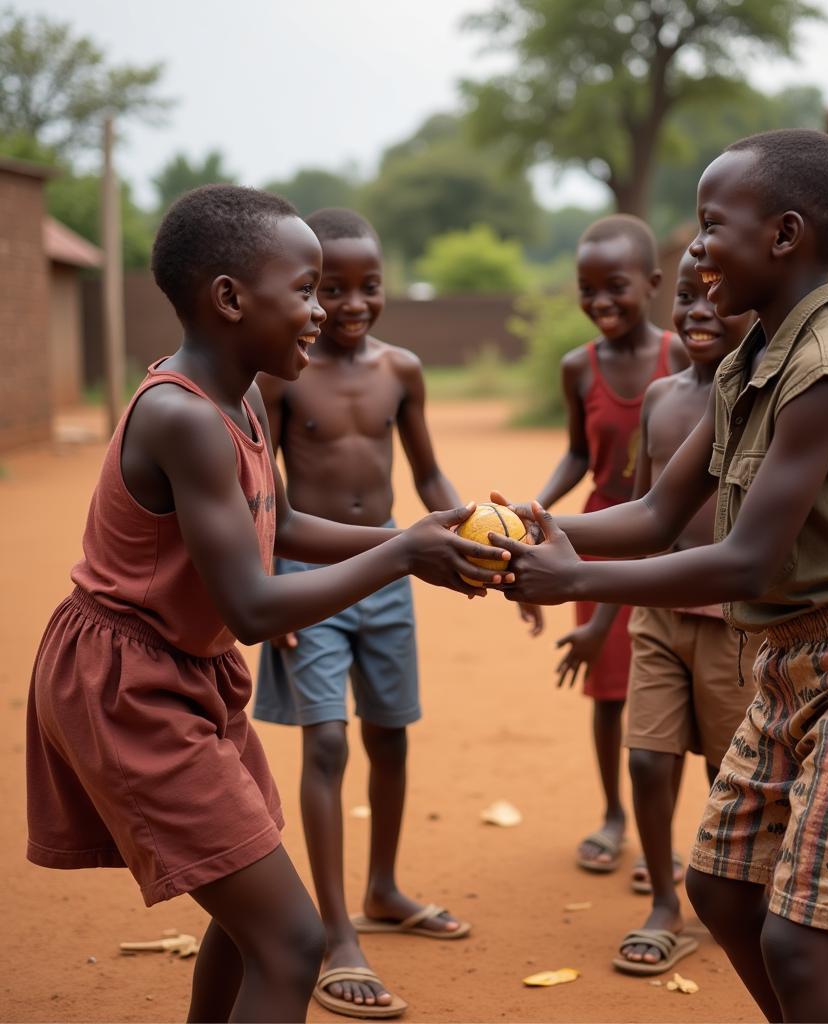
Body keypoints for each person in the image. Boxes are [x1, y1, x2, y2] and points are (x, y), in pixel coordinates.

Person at [493, 130, 828, 1022]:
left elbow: (745, 557)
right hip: (790, 663)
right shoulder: (748, 365)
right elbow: (653, 516)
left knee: (796, 939)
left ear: (784, 236)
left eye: (713, 226)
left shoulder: (826, 370)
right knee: (718, 888)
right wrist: (540, 528)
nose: (699, 248)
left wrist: (578, 583)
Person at [24, 185, 510, 1024]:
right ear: (229, 299)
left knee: (253, 917)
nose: (322, 311)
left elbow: (277, 523)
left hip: (187, 669)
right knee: (290, 939)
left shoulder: (242, 392)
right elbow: (253, 607)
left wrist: (416, 535)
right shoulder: (182, 417)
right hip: (128, 686)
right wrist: (400, 552)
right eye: (307, 289)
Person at [253, 207, 542, 1018]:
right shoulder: (283, 376)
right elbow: (265, 503)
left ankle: (382, 887)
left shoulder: (401, 371)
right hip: (310, 582)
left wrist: (490, 541)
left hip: (388, 580)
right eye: (329, 287)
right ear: (307, 291)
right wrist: (269, 588)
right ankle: (336, 929)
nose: (350, 303)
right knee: (328, 740)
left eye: (367, 285)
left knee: (388, 734)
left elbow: (430, 478)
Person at [613, 251, 757, 977]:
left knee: (725, 771)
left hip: (733, 622)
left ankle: (729, 896)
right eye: (687, 298)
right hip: (658, 612)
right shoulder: (661, 396)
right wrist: (600, 593)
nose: (698, 311)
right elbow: (644, 509)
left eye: (715, 299)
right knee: (646, 757)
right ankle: (664, 901)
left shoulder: (763, 398)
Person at [534, 214, 687, 874]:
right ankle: (613, 815)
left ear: (652, 284)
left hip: (667, 537)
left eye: (615, 287)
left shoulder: (680, 355)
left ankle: (663, 840)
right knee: (608, 692)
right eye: (586, 289)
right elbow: (577, 454)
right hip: (595, 538)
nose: (599, 303)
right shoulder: (578, 368)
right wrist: (537, 512)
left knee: (666, 696)